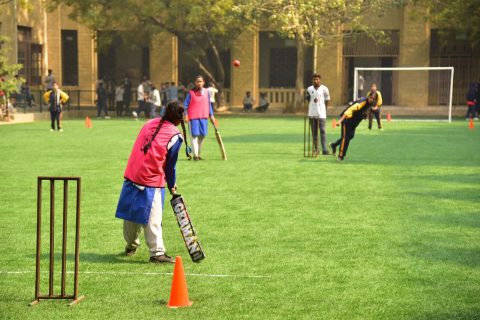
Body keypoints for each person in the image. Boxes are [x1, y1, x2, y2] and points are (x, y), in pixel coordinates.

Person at [115, 101, 191, 264]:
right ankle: (157, 253)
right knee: (152, 218)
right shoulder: (175, 136)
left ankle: (131, 245)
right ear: (179, 119)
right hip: (151, 179)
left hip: (133, 173)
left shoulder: (149, 123)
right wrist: (172, 185)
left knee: (131, 215)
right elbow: (170, 166)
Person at [329, 93, 376, 161]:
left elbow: (369, 112)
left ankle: (334, 145)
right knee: (345, 138)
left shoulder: (370, 104)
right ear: (368, 96)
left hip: (353, 123)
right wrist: (340, 121)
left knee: (350, 136)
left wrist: (369, 122)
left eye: (373, 99)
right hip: (347, 120)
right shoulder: (362, 102)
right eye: (371, 98)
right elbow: (350, 110)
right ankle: (340, 156)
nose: (372, 99)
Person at [184, 75, 216, 161]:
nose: (199, 83)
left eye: (201, 81)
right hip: (193, 118)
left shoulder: (207, 92)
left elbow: (209, 105)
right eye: (197, 81)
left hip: (204, 117)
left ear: (203, 82)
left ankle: (198, 153)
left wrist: (212, 116)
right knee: (194, 136)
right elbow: (185, 105)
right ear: (195, 82)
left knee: (202, 136)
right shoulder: (191, 93)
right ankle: (196, 155)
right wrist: (186, 115)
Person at [305, 73, 331, 156]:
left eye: (317, 79)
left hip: (322, 114)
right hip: (312, 113)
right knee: (314, 132)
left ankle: (324, 149)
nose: (315, 81)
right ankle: (316, 149)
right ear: (312, 80)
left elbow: (327, 100)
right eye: (314, 79)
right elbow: (307, 99)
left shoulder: (324, 89)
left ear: (320, 80)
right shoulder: (309, 89)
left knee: (323, 131)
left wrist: (324, 109)